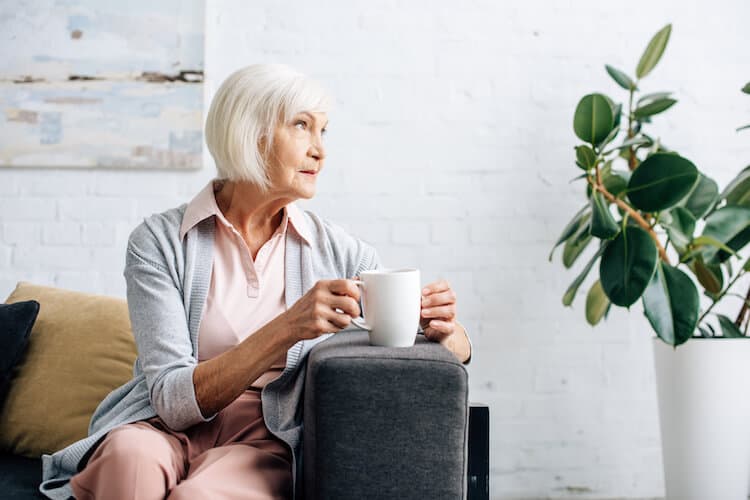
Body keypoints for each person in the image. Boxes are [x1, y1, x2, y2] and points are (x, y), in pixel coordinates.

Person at [39, 63, 471, 500]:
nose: (320, 151)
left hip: (261, 437)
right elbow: (171, 400)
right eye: (302, 126)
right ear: (252, 133)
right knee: (127, 460)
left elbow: (426, 345)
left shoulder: (343, 254)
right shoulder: (159, 242)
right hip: (159, 424)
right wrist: (289, 327)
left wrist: (449, 332)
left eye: (324, 131)